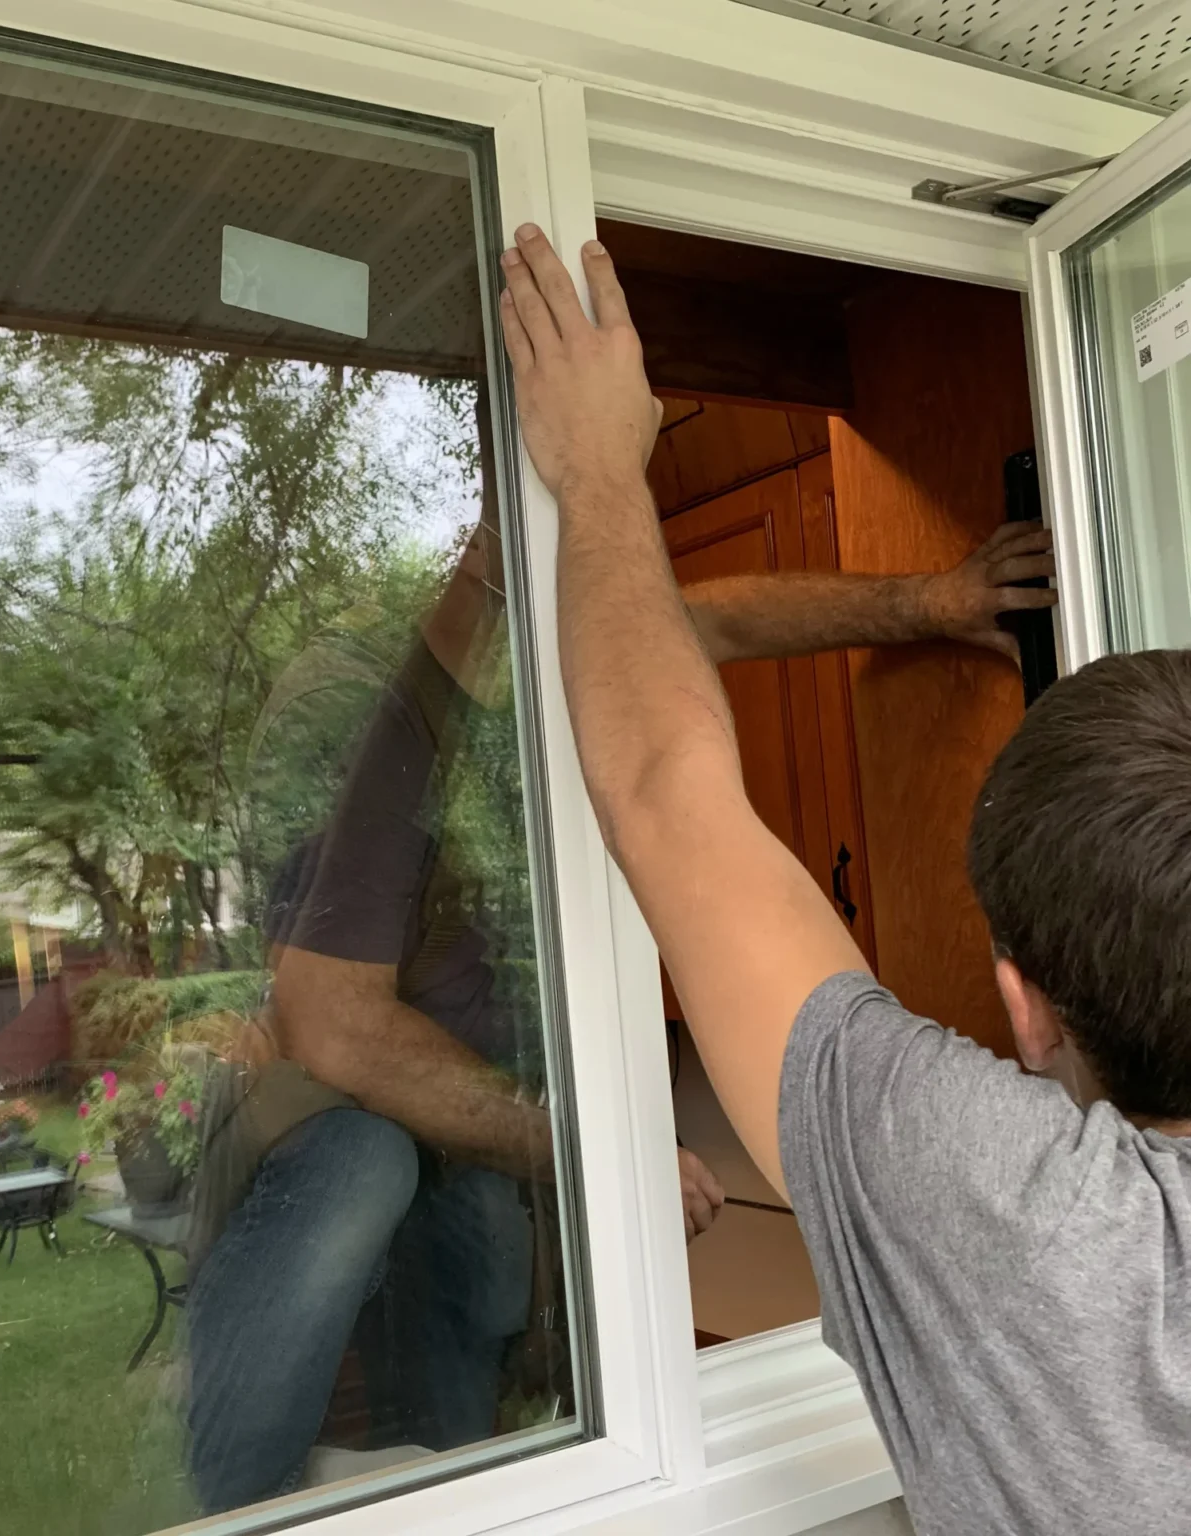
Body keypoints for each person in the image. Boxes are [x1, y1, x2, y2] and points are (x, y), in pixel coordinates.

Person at [180, 361, 1062, 1519]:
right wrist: (599, 1155)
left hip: (498, 1131)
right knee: (383, 1190)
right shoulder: (360, 718)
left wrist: (932, 603)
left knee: (499, 1323)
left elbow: (712, 619)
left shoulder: (528, 666)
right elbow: (334, 1025)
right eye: (498, 543)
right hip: (362, 1131)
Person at [495, 221, 1191, 1534]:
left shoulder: (1015, 1214)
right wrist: (924, 604)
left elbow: (664, 788)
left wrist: (594, 480)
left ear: (1021, 1004)